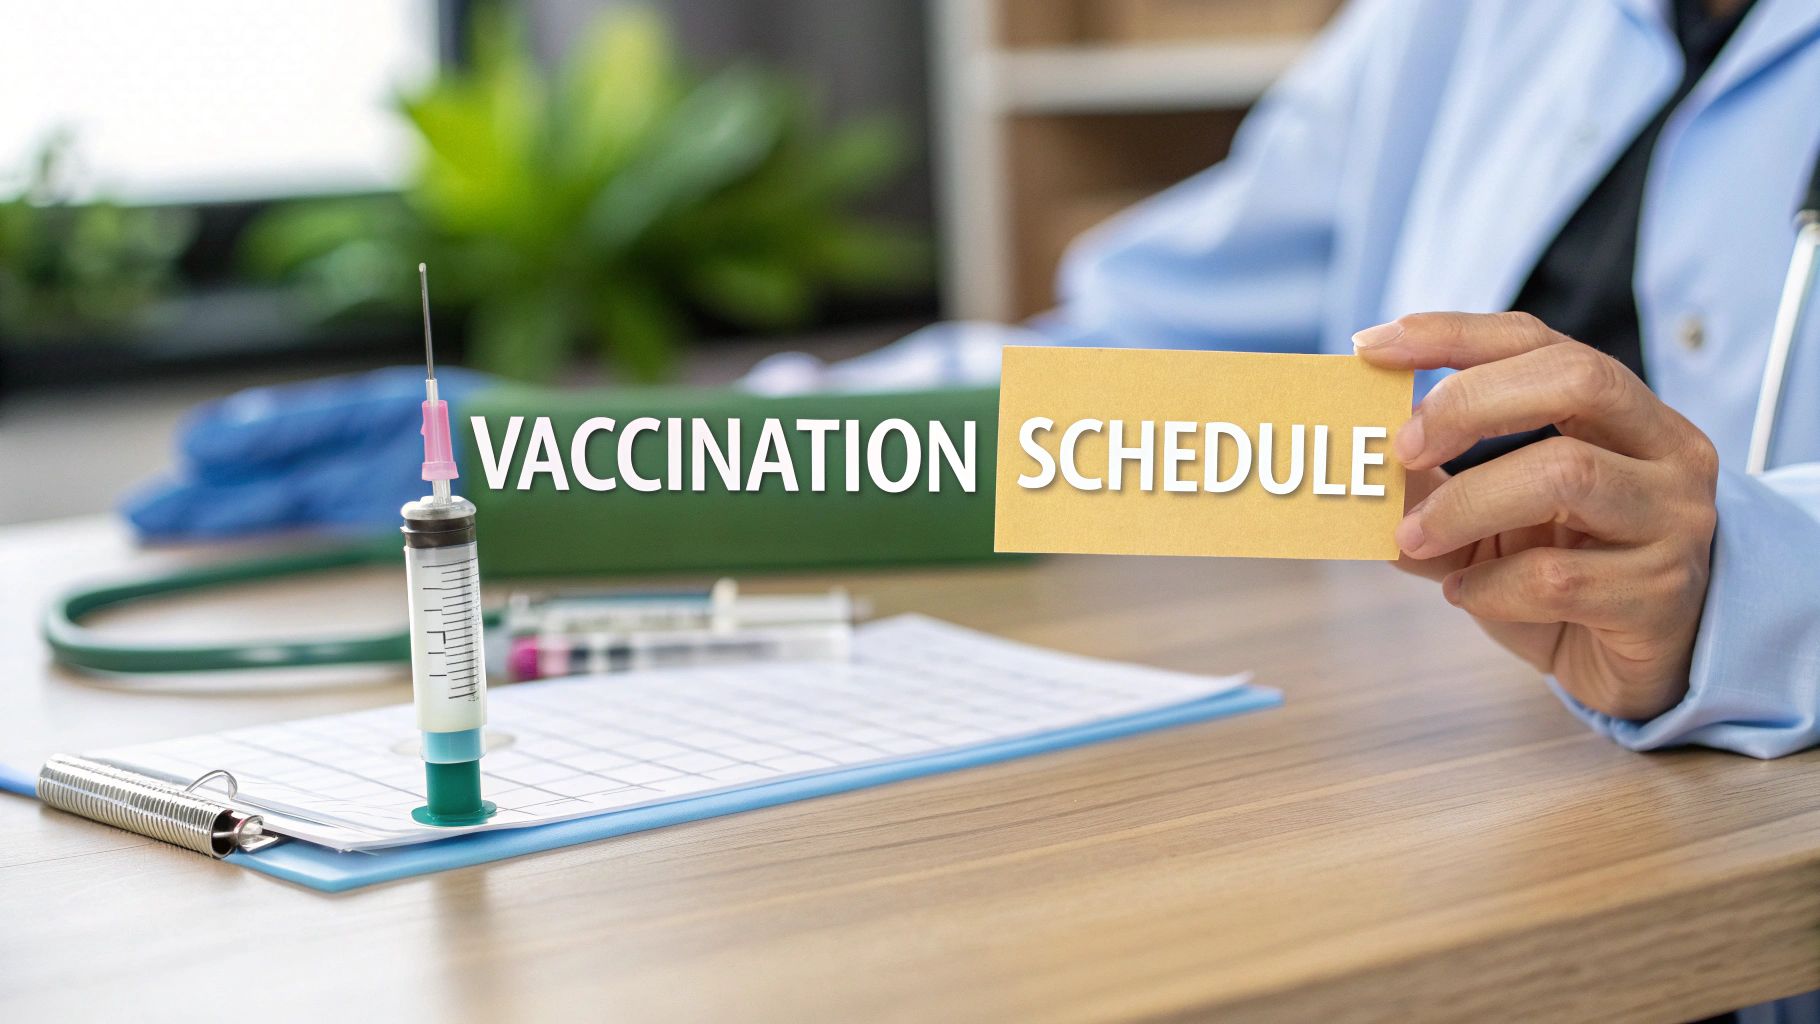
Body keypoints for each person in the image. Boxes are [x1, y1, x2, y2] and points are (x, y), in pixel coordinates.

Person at [135, 0, 1820, 764]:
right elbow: (1118, 378)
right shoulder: (1464, 20)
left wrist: (1742, 580)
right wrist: (635, 460)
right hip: (1437, 791)